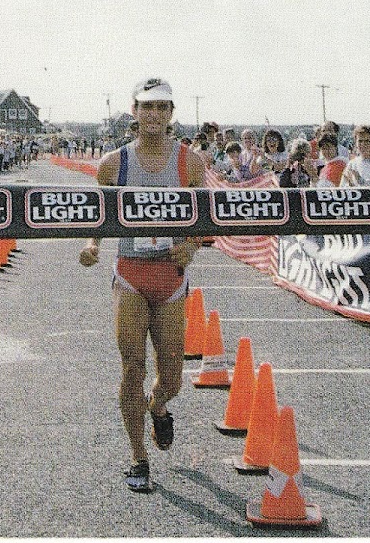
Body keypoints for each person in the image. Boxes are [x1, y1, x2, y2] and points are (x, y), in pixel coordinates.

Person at [78, 78, 204, 493]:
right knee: (132, 368)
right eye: (147, 107)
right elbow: (99, 215)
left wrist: (192, 246)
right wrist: (92, 246)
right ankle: (137, 457)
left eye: (162, 107)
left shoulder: (190, 162)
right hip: (131, 273)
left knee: (172, 379)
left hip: (170, 277)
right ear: (134, 110)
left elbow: (204, 218)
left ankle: (159, 405)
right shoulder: (114, 163)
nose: (154, 115)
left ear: (171, 113)